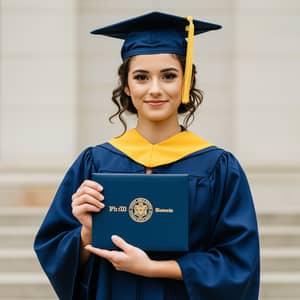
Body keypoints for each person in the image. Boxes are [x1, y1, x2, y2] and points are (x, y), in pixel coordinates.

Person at [34, 11, 260, 300]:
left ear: (186, 82)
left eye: (168, 76)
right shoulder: (95, 163)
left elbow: (239, 263)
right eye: (141, 77)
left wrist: (154, 268)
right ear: (127, 86)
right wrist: (87, 233)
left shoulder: (218, 168)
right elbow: (53, 249)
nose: (155, 89)